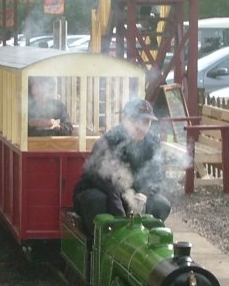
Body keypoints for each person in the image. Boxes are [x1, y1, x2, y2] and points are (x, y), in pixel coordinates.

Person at [73, 97, 171, 235]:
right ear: (125, 120)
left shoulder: (152, 143)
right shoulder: (108, 141)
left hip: (135, 196)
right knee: (96, 200)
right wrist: (118, 204)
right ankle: (97, 247)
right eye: (135, 121)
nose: (140, 127)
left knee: (161, 204)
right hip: (104, 192)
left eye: (146, 122)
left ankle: (147, 240)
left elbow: (156, 175)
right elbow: (99, 176)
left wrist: (144, 194)